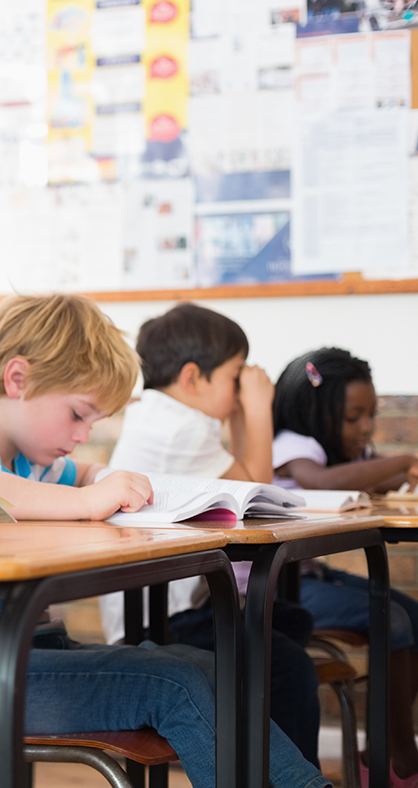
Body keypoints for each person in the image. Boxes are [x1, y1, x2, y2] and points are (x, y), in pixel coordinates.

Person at [0, 293, 329, 788]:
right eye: (78, 415)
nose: (83, 434)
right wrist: (87, 500)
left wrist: (107, 476)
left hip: (29, 653)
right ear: (18, 380)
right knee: (175, 685)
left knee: (203, 665)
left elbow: (82, 471)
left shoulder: (34, 461)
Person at [97, 302, 322, 768]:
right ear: (194, 378)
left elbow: (243, 486)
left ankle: (259, 761)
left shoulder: (168, 417)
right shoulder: (179, 429)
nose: (241, 387)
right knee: (288, 666)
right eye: (235, 375)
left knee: (290, 622)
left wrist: (241, 413)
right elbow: (259, 501)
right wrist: (259, 408)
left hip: (169, 603)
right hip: (158, 617)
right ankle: (273, 773)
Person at [273, 347, 418, 788]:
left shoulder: (328, 450)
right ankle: (401, 758)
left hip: (308, 573)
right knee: (391, 619)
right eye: (354, 417)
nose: (366, 427)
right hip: (278, 584)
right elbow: (316, 482)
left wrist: (388, 475)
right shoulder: (291, 444)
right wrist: (403, 462)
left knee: (410, 612)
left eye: (370, 415)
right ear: (316, 413)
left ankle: (381, 754)